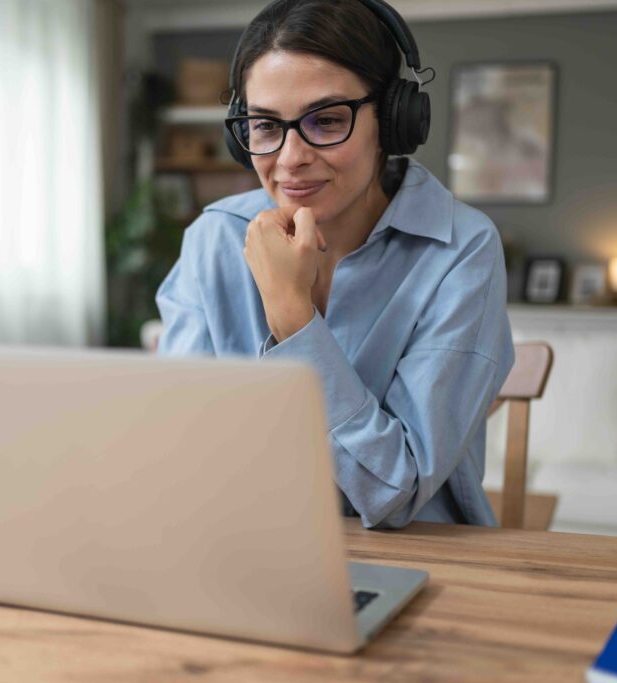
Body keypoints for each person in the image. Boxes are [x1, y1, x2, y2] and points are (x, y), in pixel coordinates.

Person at [155, 0, 514, 529]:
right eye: (264, 126)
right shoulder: (214, 238)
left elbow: (394, 491)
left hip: (422, 562)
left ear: (393, 121)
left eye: (325, 120)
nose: (290, 157)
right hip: (247, 549)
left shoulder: (461, 250)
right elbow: (179, 454)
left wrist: (293, 318)